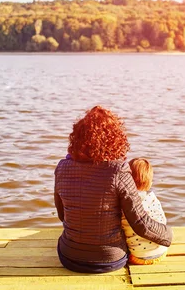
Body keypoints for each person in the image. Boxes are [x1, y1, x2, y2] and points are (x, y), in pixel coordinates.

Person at [54, 106, 173, 273]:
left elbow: (62, 215)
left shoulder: (62, 168)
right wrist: (167, 235)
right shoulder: (119, 170)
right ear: (114, 139)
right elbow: (140, 224)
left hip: (68, 257)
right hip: (109, 259)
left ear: (77, 138)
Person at [122, 158, 168, 265]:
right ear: (150, 182)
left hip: (137, 257)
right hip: (161, 252)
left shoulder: (125, 205)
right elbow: (163, 221)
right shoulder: (153, 200)